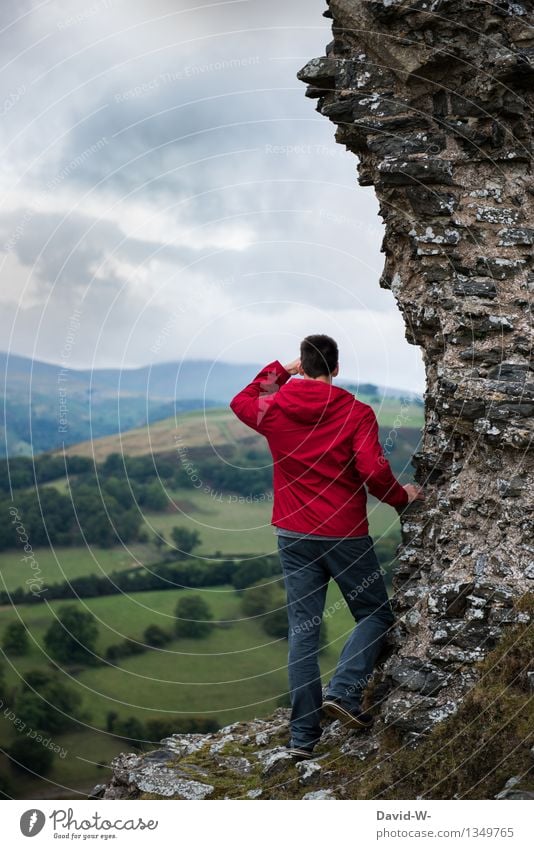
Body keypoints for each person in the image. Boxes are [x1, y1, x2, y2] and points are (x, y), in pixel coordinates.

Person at [229, 333, 425, 760]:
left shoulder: (275, 408)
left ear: (304, 364)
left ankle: (303, 740)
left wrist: (281, 371)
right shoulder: (356, 412)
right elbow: (373, 470)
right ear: (336, 369)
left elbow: (241, 401)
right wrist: (400, 498)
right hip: (344, 534)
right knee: (374, 613)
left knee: (303, 633)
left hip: (292, 535)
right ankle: (344, 691)